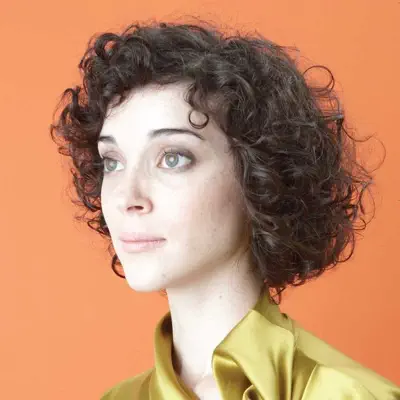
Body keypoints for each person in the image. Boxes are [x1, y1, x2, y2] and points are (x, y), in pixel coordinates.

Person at [49, 18, 400, 400]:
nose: (126, 197)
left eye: (173, 158)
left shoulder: (348, 393)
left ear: (260, 175)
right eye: (113, 161)